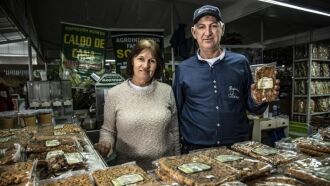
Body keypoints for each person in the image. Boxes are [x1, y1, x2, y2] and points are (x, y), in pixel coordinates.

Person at [173, 5, 280, 154]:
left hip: (237, 147)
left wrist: (259, 99)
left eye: (213, 26)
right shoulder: (183, 69)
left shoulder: (240, 62)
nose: (208, 33)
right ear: (194, 32)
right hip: (196, 148)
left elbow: (253, 107)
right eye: (202, 27)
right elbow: (176, 111)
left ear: (222, 29)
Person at [95, 39, 180, 169]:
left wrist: (177, 162)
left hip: (164, 168)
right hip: (129, 171)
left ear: (157, 65)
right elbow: (108, 130)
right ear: (132, 61)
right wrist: (105, 143)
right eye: (141, 59)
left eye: (152, 61)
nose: (146, 66)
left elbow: (174, 130)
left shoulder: (166, 91)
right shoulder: (114, 94)